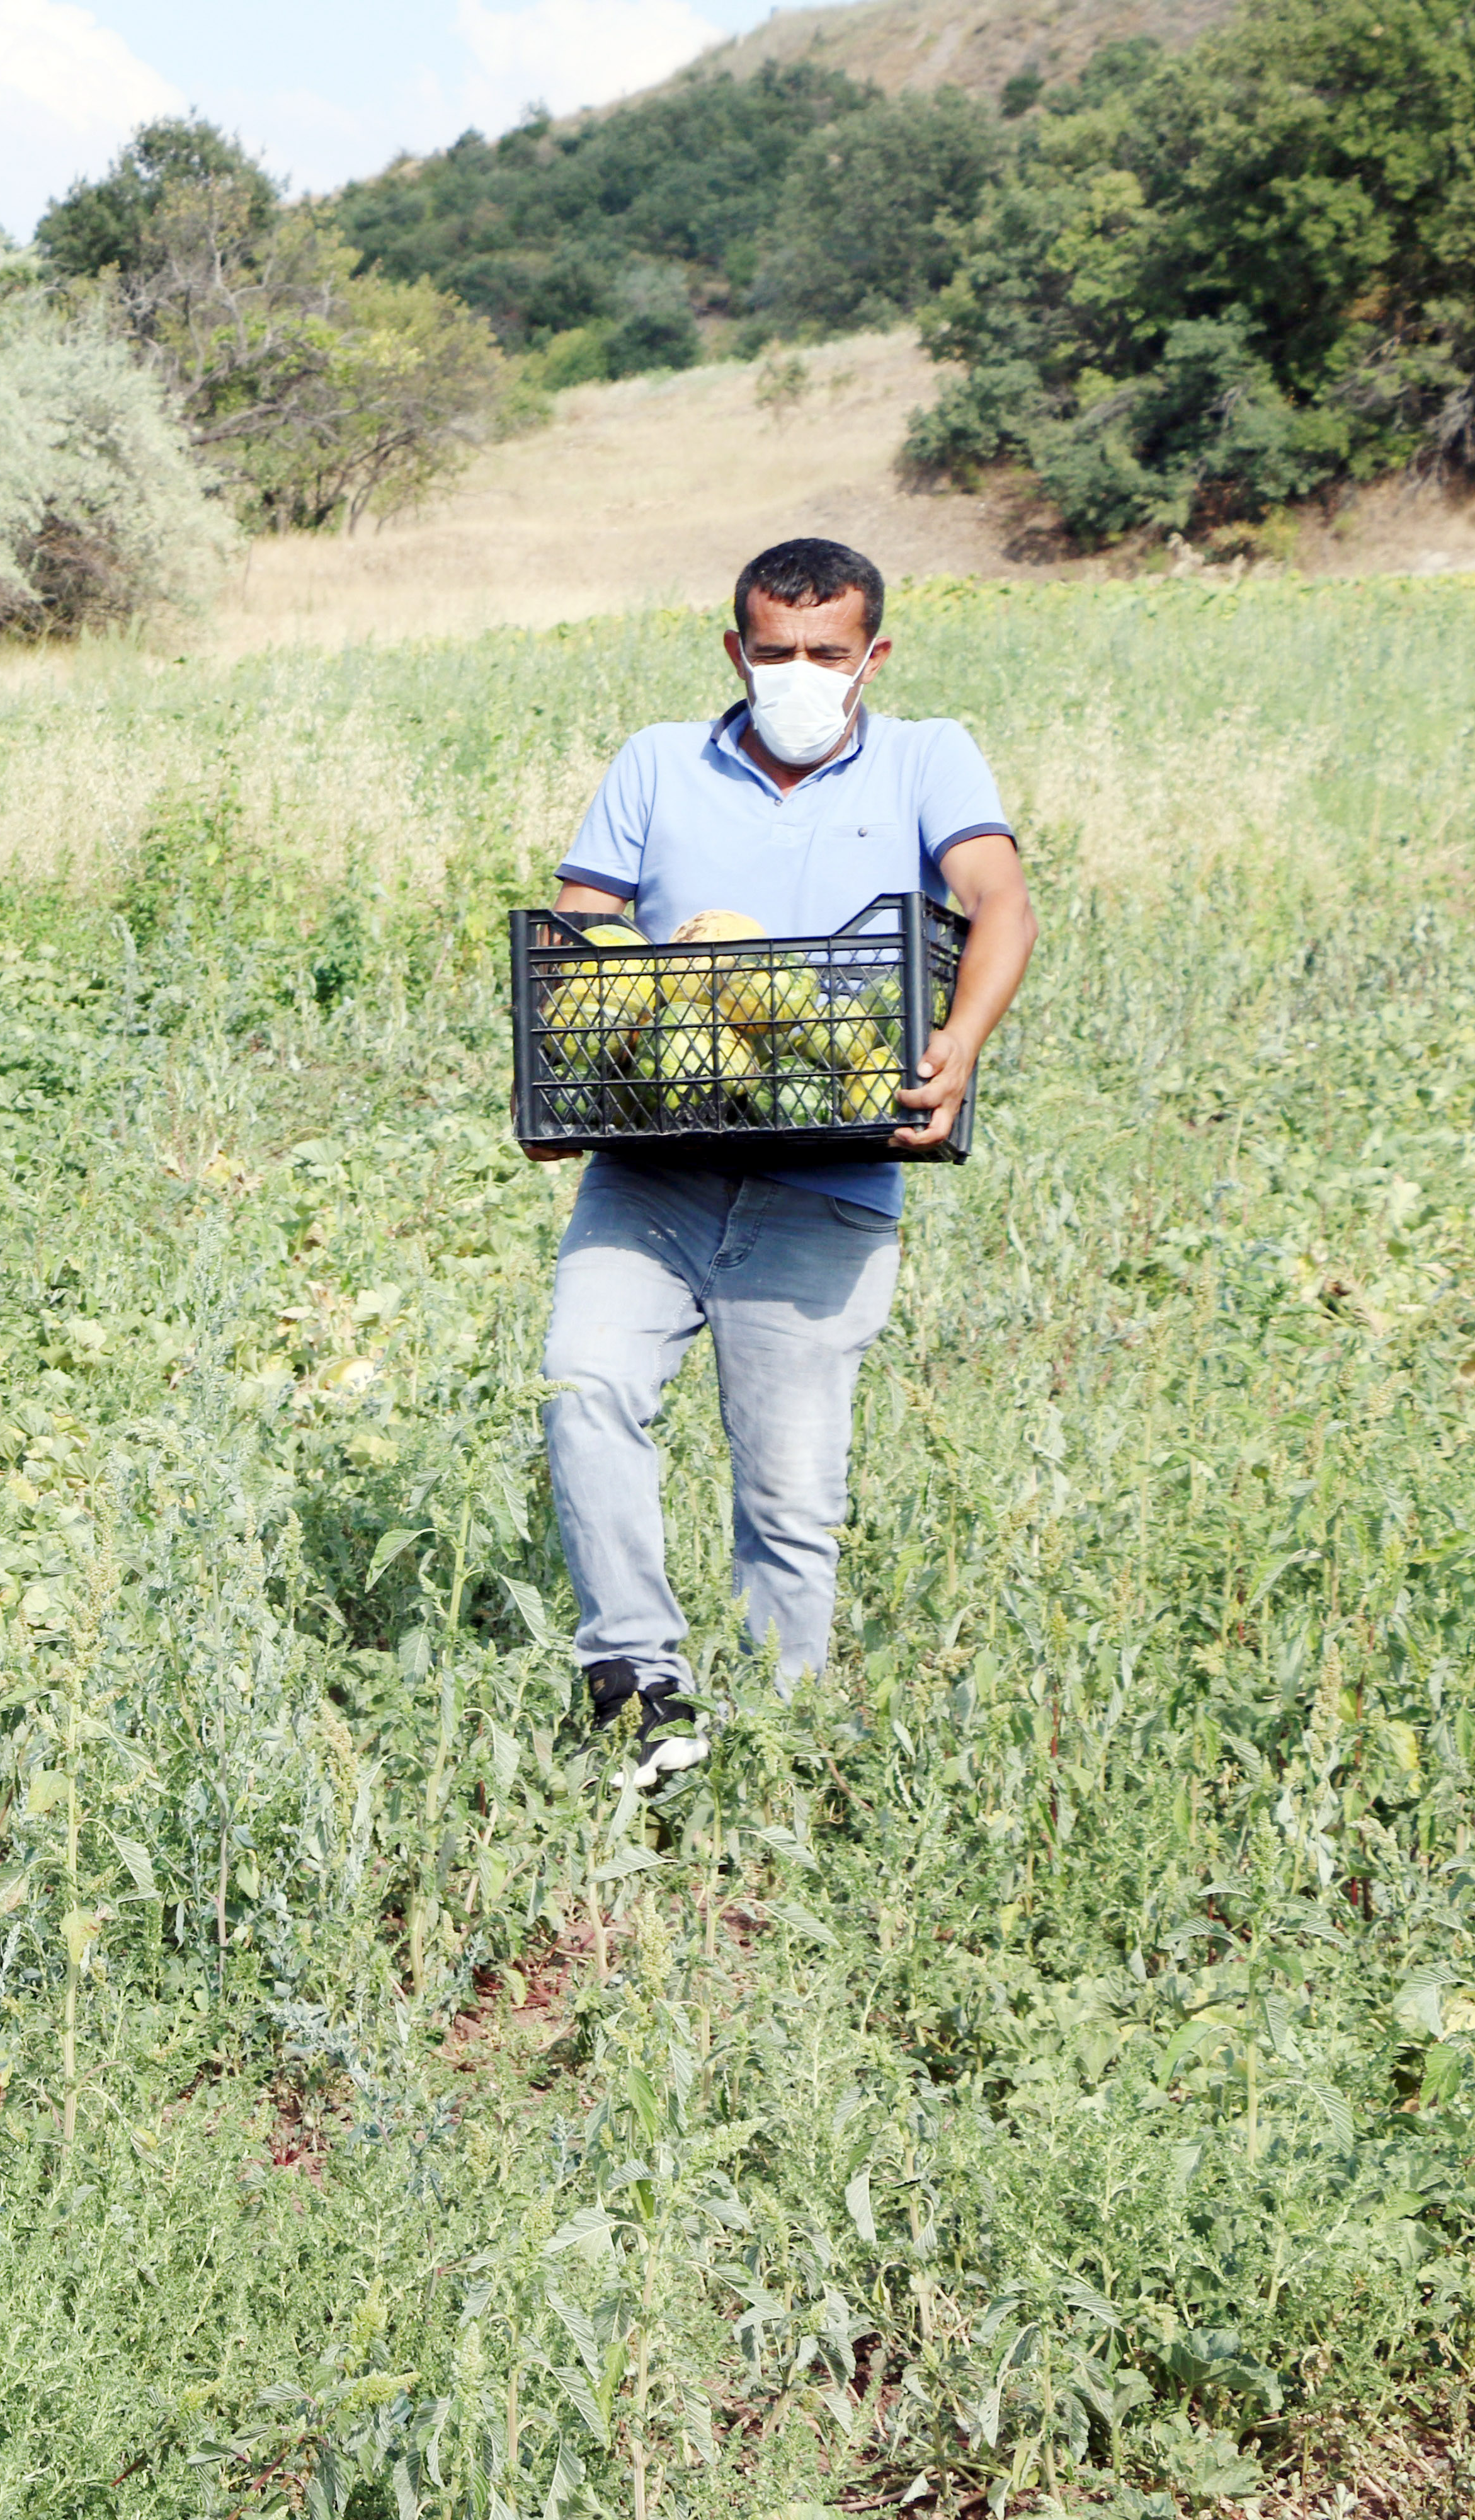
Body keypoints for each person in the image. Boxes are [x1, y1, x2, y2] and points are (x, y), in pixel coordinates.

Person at [524, 539, 1037, 1786]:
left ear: (873, 655)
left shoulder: (929, 755)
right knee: (584, 1387)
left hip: (830, 1175)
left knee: (789, 1498)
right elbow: (584, 919)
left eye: (826, 653)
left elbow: (1000, 901)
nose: (800, 673)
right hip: (652, 1166)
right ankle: (640, 1689)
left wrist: (958, 1043)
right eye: (775, 652)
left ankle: (772, 1743)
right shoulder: (656, 761)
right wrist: (576, 1036)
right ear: (735, 650)